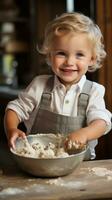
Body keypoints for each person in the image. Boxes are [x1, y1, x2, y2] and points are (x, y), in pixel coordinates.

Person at [4, 12, 112, 160]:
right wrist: (12, 128)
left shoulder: (94, 91)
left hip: (80, 166)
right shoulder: (39, 85)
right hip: (38, 162)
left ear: (92, 59)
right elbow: (14, 110)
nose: (69, 62)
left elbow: (102, 123)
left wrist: (85, 134)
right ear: (50, 56)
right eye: (61, 53)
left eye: (79, 55)